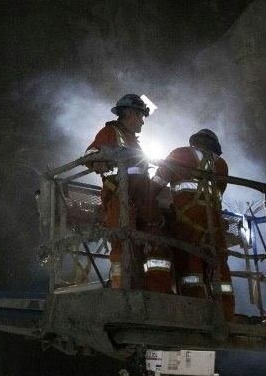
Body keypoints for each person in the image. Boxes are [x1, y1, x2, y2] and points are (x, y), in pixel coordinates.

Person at [84, 94, 172, 293]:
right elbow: (91, 153)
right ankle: (121, 291)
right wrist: (97, 160)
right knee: (123, 242)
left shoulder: (134, 141)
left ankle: (156, 291)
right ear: (131, 113)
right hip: (120, 195)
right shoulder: (111, 131)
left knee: (154, 242)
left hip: (142, 196)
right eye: (141, 116)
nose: (142, 121)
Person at [151, 129, 235, 320]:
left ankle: (194, 313)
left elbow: (156, 184)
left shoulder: (180, 154)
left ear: (193, 143)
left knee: (190, 264)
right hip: (214, 224)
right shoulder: (222, 165)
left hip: (189, 221)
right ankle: (226, 315)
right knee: (219, 267)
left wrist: (143, 198)